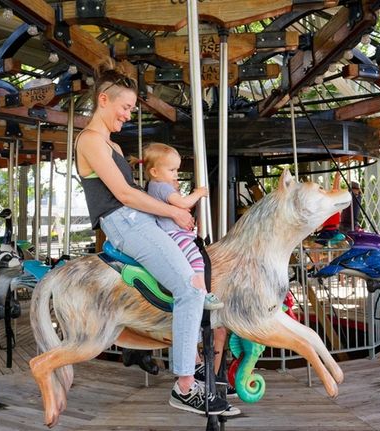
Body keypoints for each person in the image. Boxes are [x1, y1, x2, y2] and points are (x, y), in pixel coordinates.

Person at [75, 61, 229, 416]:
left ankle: (192, 359)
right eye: (125, 107)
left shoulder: (109, 144)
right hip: (125, 221)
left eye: (131, 108)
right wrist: (173, 211)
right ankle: (184, 386)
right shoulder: (90, 140)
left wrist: (173, 215)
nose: (128, 115)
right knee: (190, 290)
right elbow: (124, 195)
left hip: (140, 220)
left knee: (194, 280)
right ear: (103, 100)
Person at [142, 143, 224, 310]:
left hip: (174, 232)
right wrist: (199, 193)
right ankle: (201, 292)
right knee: (196, 258)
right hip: (173, 234)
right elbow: (183, 202)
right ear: (155, 172)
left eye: (176, 170)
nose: (176, 175)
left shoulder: (155, 186)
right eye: (172, 170)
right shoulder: (161, 186)